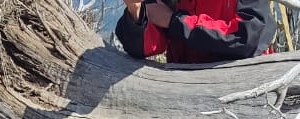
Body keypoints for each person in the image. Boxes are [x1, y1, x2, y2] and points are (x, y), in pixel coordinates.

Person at [114, 0, 276, 63]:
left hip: (247, 85)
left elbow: (246, 38)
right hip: (184, 86)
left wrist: (175, 22)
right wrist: (136, 11)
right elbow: (146, 46)